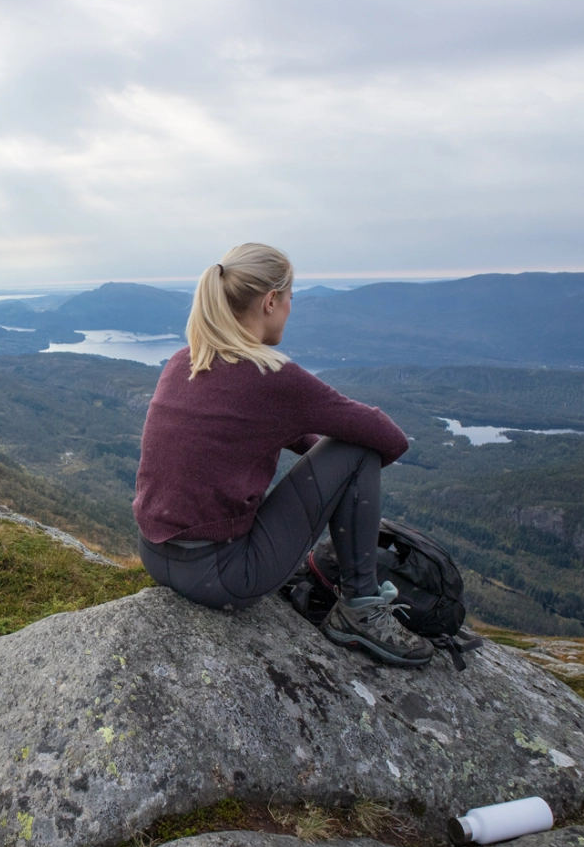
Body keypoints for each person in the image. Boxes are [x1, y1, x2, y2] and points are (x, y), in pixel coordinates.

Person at [132, 243, 432, 667]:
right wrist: (341, 474)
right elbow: (387, 437)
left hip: (154, 555)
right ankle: (361, 607)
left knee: (346, 452)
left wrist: (321, 459)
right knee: (359, 449)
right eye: (291, 296)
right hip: (223, 578)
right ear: (270, 301)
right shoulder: (270, 374)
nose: (291, 307)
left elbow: (252, 424)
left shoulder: (185, 360)